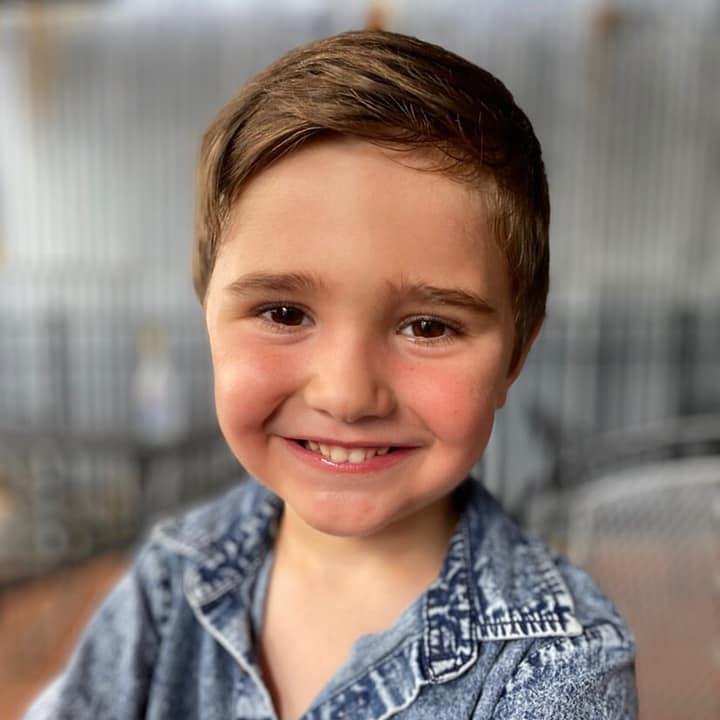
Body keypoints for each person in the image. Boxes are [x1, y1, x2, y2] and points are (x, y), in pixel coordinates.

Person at [24, 30, 637, 720]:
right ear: (207, 319)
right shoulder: (172, 576)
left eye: (428, 326)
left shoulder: (560, 668)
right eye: (284, 313)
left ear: (516, 353)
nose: (346, 396)